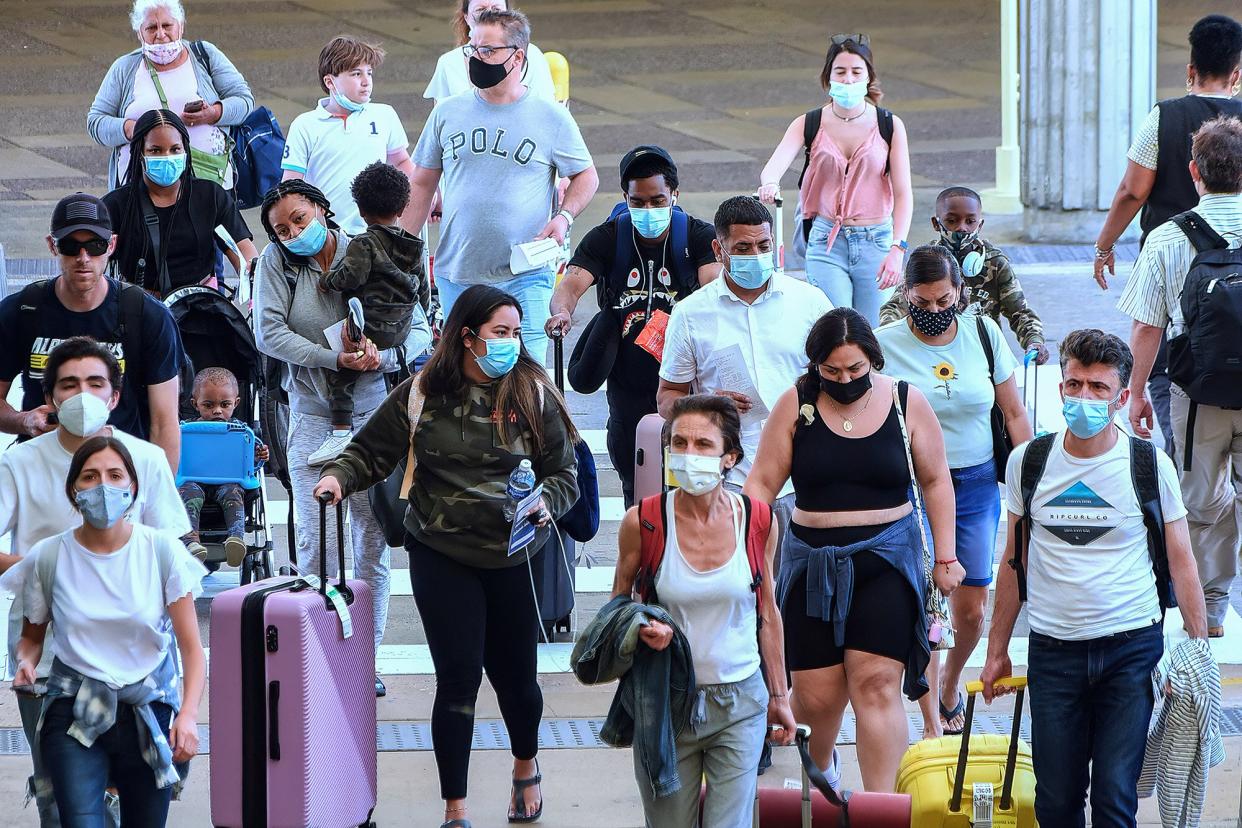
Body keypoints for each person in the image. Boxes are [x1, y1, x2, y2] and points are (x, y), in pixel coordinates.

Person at [314, 285, 579, 827]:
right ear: (466, 336)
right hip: (441, 552)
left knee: (517, 681)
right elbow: (370, 451)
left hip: (514, 556)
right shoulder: (421, 392)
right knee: (456, 680)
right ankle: (454, 809)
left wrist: (544, 503)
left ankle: (524, 766)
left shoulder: (533, 393)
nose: (510, 343)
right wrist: (338, 479)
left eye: (514, 332)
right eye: (499, 333)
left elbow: (566, 474)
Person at [980, 329, 1208, 827]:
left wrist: (1197, 650)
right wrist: (997, 650)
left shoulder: (1148, 463)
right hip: (1053, 651)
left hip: (1130, 651)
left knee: (1113, 798)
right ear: (1060, 386)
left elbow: (1182, 559)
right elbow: (1013, 563)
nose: (1083, 397)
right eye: (1074, 384)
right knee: (1056, 801)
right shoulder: (1029, 462)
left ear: (1122, 396)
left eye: (1099, 388)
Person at [743, 307, 963, 792]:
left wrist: (946, 555)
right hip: (812, 562)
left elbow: (936, 480)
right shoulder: (795, 403)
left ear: (873, 361)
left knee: (878, 684)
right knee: (817, 697)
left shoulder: (906, 401)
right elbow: (761, 482)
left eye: (855, 370)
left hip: (885, 560)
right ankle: (820, 787)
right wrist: (740, 540)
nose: (844, 380)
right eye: (832, 372)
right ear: (815, 367)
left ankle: (880, 804)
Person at [0, 337, 190, 828]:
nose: (81, 393)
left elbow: (172, 559)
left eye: (94, 383)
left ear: (115, 395)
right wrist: (49, 571)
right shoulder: (19, 463)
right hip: (50, 668)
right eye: (68, 384)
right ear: (50, 397)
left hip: (138, 670)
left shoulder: (143, 461)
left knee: (140, 801)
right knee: (61, 805)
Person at [254, 180, 431, 697]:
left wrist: (386, 356)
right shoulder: (277, 264)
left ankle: (362, 658)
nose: (293, 233)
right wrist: (333, 358)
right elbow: (269, 333)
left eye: (299, 218)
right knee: (315, 542)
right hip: (311, 414)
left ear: (322, 210)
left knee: (371, 538)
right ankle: (315, 656)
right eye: (282, 229)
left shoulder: (368, 245)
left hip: (375, 410)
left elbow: (419, 323)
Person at [610, 394, 795, 827]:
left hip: (740, 701)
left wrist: (779, 696)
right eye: (679, 443)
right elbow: (617, 608)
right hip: (665, 702)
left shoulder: (758, 520)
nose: (688, 455)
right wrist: (640, 627)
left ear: (729, 456)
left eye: (703, 445)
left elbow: (767, 612)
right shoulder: (644, 522)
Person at [874, 245, 1032, 736]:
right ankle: (929, 721)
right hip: (911, 487)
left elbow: (1013, 413)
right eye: (924, 302)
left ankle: (947, 683)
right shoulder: (884, 344)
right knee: (925, 601)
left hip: (977, 481)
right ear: (906, 295)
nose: (936, 312)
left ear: (961, 294)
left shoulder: (984, 334)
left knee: (970, 606)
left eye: (946, 301)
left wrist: (1034, 482)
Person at [406, 7, 599, 366]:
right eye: (473, 49)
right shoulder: (447, 113)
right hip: (458, 272)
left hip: (525, 275)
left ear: (518, 56)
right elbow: (422, 183)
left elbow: (586, 176)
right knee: (462, 372)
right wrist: (400, 246)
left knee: (529, 372)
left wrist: (564, 217)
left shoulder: (550, 117)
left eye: (489, 51)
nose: (477, 58)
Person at [1116, 115, 1242, 638]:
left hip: (1198, 392)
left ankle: (1208, 607)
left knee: (1198, 501)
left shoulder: (1170, 236)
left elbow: (1147, 326)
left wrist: (1138, 391)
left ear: (1194, 171)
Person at [1095, 14, 1242, 457]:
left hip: (1174, 261)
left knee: (1167, 370)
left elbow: (1132, 190)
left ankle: (1184, 455)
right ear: (1237, 74)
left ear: (1190, 70)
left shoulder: (1165, 116)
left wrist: (1105, 245)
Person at [658, 195, 831, 568]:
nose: (755, 254)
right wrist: (703, 407)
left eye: (763, 245)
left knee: (797, 592)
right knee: (732, 582)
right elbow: (668, 396)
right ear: (719, 250)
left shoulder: (810, 303)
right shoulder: (691, 314)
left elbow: (839, 377)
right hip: (726, 478)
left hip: (801, 475)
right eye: (743, 247)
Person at [546, 146, 718, 506]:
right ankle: (641, 553)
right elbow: (570, 286)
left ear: (675, 195)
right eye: (638, 202)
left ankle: (678, 553)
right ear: (625, 198)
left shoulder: (697, 238)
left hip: (685, 382)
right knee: (635, 484)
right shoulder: (609, 238)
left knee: (686, 484)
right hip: (627, 385)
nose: (649, 210)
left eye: (658, 200)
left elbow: (715, 291)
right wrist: (562, 313)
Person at [0, 193, 184, 468]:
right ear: (52, 246)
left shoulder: (148, 316)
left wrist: (156, 500)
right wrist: (23, 421)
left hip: (118, 476)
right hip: (41, 472)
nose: (83, 258)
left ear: (111, 245)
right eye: (70, 246)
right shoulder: (21, 311)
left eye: (95, 245)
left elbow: (165, 422)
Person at [757, 33, 913, 325]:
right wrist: (770, 184)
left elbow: (903, 193)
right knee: (834, 327)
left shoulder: (889, 125)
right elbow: (773, 166)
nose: (849, 79)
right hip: (826, 239)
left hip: (876, 240)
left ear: (868, 77)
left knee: (875, 331)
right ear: (828, 77)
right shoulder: (810, 122)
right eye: (840, 72)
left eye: (857, 72)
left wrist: (897, 249)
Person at [314, 161, 427, 464]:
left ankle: (339, 432)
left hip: (371, 327)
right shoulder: (416, 245)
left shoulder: (364, 243)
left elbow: (351, 277)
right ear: (403, 207)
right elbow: (423, 290)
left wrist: (326, 280)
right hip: (401, 325)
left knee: (343, 371)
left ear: (361, 210)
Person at [88, 0, 255, 192]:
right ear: (139, 33)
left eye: (167, 25)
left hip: (208, 182)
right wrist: (133, 129)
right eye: (151, 28)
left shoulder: (204, 55)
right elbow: (96, 122)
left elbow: (244, 101)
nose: (160, 34)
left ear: (181, 27)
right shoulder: (124, 67)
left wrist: (213, 113)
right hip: (140, 188)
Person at [878, 187, 1049, 365]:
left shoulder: (995, 264)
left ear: (980, 225)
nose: (961, 228)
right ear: (936, 224)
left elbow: (1020, 313)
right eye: (951, 221)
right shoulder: (924, 261)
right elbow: (894, 308)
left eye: (970, 221)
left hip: (982, 355)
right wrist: (888, 339)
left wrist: (1034, 340)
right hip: (933, 355)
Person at [102, 109, 257, 295]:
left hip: (200, 310)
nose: (166, 157)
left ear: (185, 150)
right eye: (155, 150)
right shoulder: (116, 205)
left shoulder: (211, 196)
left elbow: (245, 255)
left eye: (175, 149)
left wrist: (254, 282)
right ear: (139, 153)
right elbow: (91, 259)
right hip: (139, 311)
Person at [281, 35, 419, 236]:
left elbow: (401, 162)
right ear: (330, 81)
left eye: (369, 73)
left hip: (378, 232)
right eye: (356, 74)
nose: (366, 82)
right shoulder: (305, 125)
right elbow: (291, 185)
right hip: (326, 236)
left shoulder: (385, 114)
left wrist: (426, 195)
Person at [177, 366, 269, 564]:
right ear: (195, 404)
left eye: (225, 404)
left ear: (235, 403)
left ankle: (235, 539)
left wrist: (258, 455)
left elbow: (248, 463)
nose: (217, 410)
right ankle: (191, 542)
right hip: (194, 481)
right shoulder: (187, 430)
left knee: (233, 493)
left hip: (228, 482)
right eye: (208, 405)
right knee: (187, 493)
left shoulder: (241, 433)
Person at [424, 0, 556, 104]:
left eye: (497, 10)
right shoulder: (449, 63)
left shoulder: (533, 55)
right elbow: (440, 122)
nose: (488, 16)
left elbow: (547, 108)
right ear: (466, 17)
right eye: (480, 10)